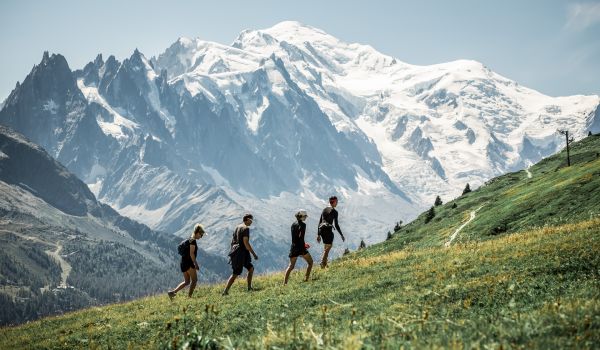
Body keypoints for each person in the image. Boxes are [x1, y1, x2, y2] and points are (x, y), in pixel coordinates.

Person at [222, 213, 259, 295]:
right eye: (251, 220)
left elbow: (233, 240)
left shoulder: (237, 227)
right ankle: (225, 291)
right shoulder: (245, 229)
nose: (252, 221)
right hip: (241, 253)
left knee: (251, 268)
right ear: (247, 219)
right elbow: (246, 243)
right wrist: (254, 254)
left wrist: (232, 251)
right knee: (236, 273)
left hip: (239, 252)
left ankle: (249, 287)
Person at [168, 224, 205, 300]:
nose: (201, 237)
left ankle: (172, 293)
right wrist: (196, 264)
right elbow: (191, 253)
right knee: (194, 280)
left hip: (183, 262)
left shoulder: (189, 239)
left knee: (187, 281)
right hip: (189, 263)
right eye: (201, 235)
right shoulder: (193, 241)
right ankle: (189, 297)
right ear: (197, 233)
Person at [283, 210, 313, 285]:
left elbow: (296, 237)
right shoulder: (303, 225)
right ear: (302, 216)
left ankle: (284, 283)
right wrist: (304, 245)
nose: (306, 217)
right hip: (301, 248)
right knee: (310, 262)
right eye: (305, 216)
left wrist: (303, 244)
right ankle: (306, 279)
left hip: (293, 247)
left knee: (291, 266)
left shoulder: (293, 224)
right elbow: (301, 237)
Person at [317, 196, 345, 268]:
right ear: (334, 202)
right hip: (328, 230)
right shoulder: (334, 212)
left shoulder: (324, 209)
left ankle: (325, 264)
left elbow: (320, 222)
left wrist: (318, 234)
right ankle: (322, 262)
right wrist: (341, 234)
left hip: (321, 230)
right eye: (337, 202)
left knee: (326, 247)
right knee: (329, 247)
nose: (337, 203)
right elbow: (336, 224)